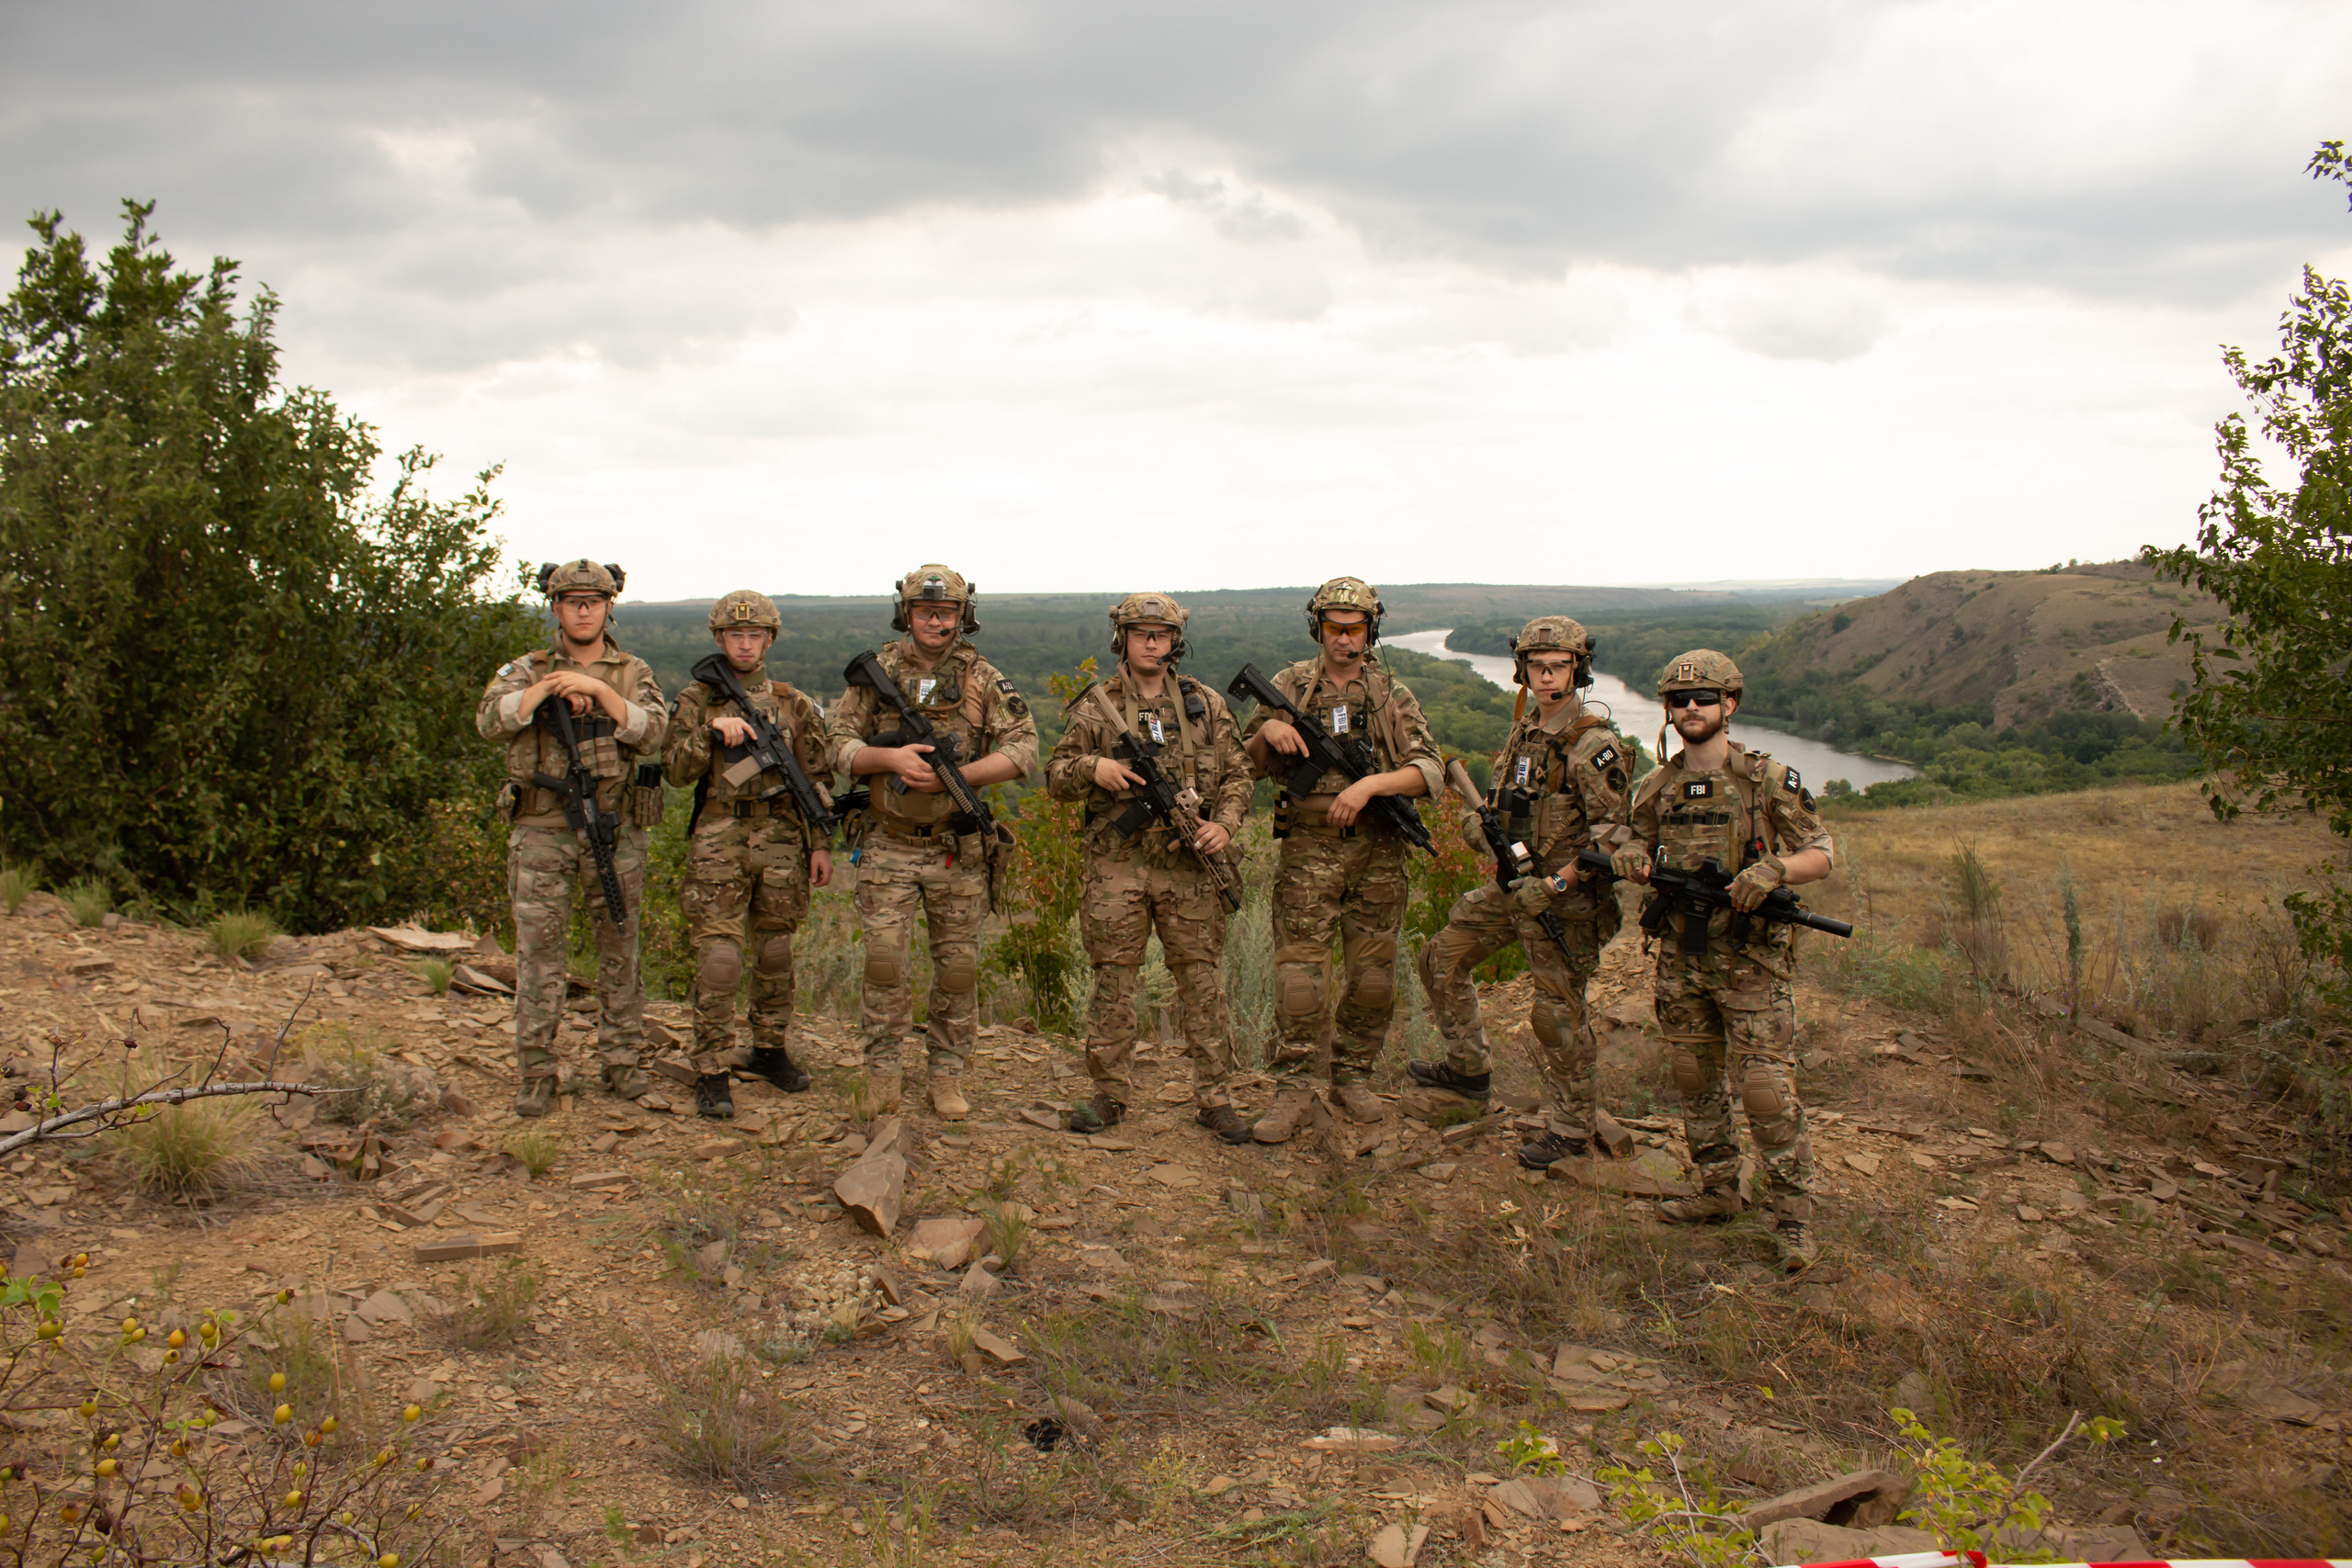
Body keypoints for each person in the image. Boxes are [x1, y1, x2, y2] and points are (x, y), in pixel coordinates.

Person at [1609, 649, 1835, 1269]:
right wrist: (1630, 853)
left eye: (1703, 698)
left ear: (1728, 705)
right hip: (1682, 957)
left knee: (1763, 1088)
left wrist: (1775, 868)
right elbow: (1632, 837)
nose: (1689, 709)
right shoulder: (1656, 786)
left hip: (1750, 961)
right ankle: (1718, 1190)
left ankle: (1791, 1217)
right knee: (1695, 1080)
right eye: (1679, 701)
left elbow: (1821, 850)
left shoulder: (1765, 779)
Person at [1408, 615, 1632, 1168]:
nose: (1548, 677)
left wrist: (1554, 884)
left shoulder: (1594, 745)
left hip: (1566, 904)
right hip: (1513, 891)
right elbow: (1503, 810)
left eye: (1558, 667)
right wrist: (1481, 836)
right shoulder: (1526, 731)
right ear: (1522, 669)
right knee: (1441, 957)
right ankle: (1468, 1069)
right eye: (1537, 667)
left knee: (1557, 1016)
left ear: (1578, 670)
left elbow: (1616, 842)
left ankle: (1572, 1128)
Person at [826, 565, 1037, 1120]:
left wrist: (961, 777)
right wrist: (888, 758)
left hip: (954, 847)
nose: (936, 621)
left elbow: (1024, 749)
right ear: (907, 614)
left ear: (962, 616)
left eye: (946, 612)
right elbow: (837, 744)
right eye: (925, 611)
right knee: (884, 963)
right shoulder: (878, 672)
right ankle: (882, 1071)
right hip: (888, 841)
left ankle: (946, 1074)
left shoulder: (983, 678)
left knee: (958, 968)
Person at [1045, 593, 1256, 1145]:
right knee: (1113, 982)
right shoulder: (1095, 707)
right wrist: (1096, 768)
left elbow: (1239, 775)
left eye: (1161, 634)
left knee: (1202, 982)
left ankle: (1215, 1096)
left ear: (1175, 641)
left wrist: (1225, 825)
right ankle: (1110, 1094)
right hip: (1119, 866)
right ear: (1123, 638)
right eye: (1141, 633)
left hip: (1189, 866)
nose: (1152, 642)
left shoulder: (1205, 704)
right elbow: (1056, 777)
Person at [1240, 577, 1442, 1145]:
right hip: (1308, 852)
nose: (1345, 640)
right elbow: (1245, 762)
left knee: (1373, 976)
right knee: (1300, 976)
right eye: (1334, 628)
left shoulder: (1389, 694)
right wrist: (1271, 729)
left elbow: (1429, 770)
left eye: (1355, 629)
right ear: (1318, 628)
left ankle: (1353, 1074)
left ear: (1370, 630)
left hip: (1376, 852)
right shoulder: (1291, 686)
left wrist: (1371, 786)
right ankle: (1294, 1086)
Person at [475, 560, 669, 1118]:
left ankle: (622, 1062)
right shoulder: (526, 668)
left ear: (610, 606)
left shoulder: (632, 671)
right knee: (539, 957)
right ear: (555, 608)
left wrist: (597, 691)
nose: (583, 610)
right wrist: (545, 692)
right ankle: (537, 1071)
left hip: (614, 830)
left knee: (620, 949)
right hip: (542, 832)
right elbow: (491, 722)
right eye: (571, 601)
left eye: (594, 600)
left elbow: (654, 733)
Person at [662, 591, 834, 1120]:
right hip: (720, 834)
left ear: (768, 640)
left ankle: (768, 1049)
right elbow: (673, 771)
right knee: (720, 958)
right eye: (734, 635)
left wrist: (821, 844)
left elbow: (818, 777)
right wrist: (709, 734)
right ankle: (711, 1066)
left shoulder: (794, 703)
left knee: (776, 952)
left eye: (754, 635)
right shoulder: (697, 700)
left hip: (783, 836)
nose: (744, 643)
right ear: (719, 640)